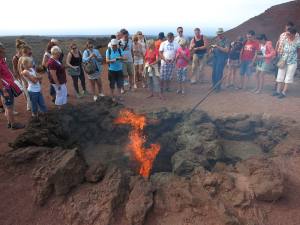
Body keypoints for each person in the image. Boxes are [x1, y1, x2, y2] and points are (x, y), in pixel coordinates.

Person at [0, 43, 25, 129]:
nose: (5, 51)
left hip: (7, 86)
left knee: (8, 106)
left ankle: (9, 123)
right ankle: (13, 124)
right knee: (9, 106)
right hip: (5, 87)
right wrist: (4, 90)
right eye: (3, 50)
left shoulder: (2, 60)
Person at [274, 27, 300, 99]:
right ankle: (278, 91)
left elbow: (298, 51)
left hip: (292, 61)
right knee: (280, 75)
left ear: (293, 34)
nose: (287, 35)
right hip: (283, 60)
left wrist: (297, 58)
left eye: (289, 34)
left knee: (288, 77)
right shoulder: (285, 40)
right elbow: (282, 48)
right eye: (287, 34)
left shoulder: (298, 42)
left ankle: (283, 92)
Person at [18, 44, 35, 111]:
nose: (30, 51)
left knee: (33, 91)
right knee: (28, 93)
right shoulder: (21, 59)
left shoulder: (30, 57)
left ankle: (33, 105)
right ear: (26, 50)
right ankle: (29, 106)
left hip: (32, 76)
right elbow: (20, 70)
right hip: (26, 78)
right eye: (29, 50)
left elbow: (33, 67)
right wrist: (24, 81)